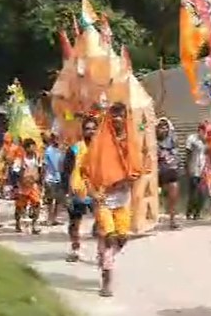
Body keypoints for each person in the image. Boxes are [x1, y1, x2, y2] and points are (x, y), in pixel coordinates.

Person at [78, 102, 143, 297]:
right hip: (104, 198)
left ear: (126, 118)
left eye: (120, 115)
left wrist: (128, 177)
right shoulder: (99, 143)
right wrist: (93, 193)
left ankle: (104, 257)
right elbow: (86, 173)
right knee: (109, 237)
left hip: (123, 198)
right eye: (113, 115)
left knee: (122, 237)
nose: (117, 119)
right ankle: (107, 282)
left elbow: (137, 168)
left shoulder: (132, 141)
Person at [63, 116, 98, 263]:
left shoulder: (103, 149)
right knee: (75, 222)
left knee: (102, 222)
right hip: (78, 190)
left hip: (97, 191)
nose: (90, 131)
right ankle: (75, 249)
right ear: (82, 131)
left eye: (93, 128)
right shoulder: (75, 148)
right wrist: (67, 193)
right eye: (87, 128)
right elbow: (66, 171)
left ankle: (102, 252)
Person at [15, 138, 42, 235]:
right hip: (23, 186)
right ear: (26, 148)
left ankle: (34, 225)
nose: (34, 148)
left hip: (33, 185)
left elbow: (39, 169)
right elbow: (16, 171)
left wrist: (39, 181)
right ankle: (18, 222)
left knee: (37, 203)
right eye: (31, 147)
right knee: (20, 206)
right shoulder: (20, 158)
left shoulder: (37, 157)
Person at [157, 117, 180, 229]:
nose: (164, 129)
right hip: (155, 172)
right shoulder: (152, 139)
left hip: (170, 170)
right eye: (161, 127)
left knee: (173, 195)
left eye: (166, 127)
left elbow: (176, 155)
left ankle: (172, 219)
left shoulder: (172, 139)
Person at [185, 122, 208, 220]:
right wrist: (187, 168)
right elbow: (188, 153)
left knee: (202, 193)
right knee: (193, 192)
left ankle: (197, 213)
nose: (204, 133)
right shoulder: (192, 139)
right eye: (202, 130)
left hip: (204, 170)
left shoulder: (208, 140)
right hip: (193, 169)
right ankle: (189, 212)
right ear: (199, 130)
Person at [43, 132, 65, 226]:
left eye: (58, 137)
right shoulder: (48, 150)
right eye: (55, 138)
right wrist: (43, 178)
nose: (57, 139)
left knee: (59, 200)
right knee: (50, 199)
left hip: (61, 178)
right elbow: (45, 165)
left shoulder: (63, 150)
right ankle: (49, 218)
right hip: (50, 178)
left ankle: (55, 218)